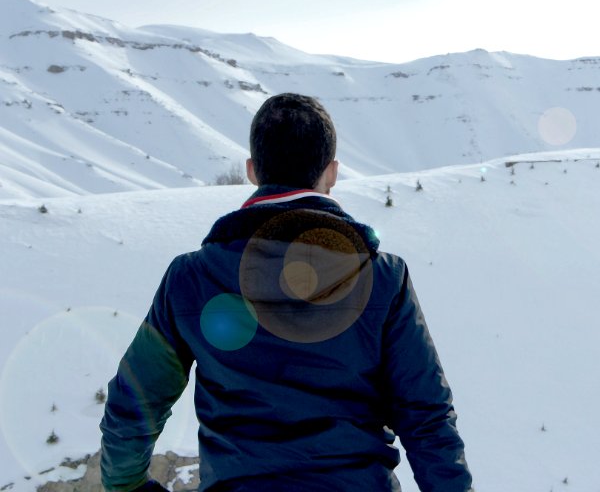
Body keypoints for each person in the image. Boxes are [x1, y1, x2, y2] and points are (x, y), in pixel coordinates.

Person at [99, 93, 472, 491]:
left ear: (252, 170)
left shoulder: (191, 277)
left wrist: (129, 487)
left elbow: (133, 404)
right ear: (332, 172)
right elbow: (427, 418)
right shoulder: (381, 276)